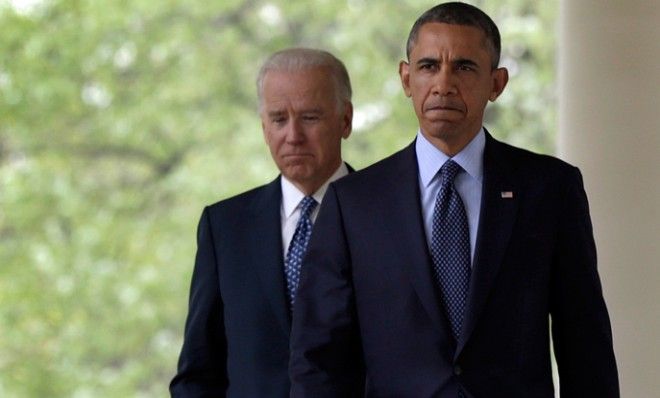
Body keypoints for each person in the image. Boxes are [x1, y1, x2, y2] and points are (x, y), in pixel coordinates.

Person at [289, 3, 619, 397]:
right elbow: (318, 358)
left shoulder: (549, 189)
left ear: (496, 83)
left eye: (463, 67)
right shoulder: (353, 202)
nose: (443, 83)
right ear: (406, 78)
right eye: (428, 66)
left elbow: (585, 345)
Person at [170, 47, 354, 397]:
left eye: (310, 117)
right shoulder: (224, 227)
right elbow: (198, 371)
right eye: (279, 119)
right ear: (263, 127)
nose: (293, 136)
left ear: (345, 120)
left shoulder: (388, 217)